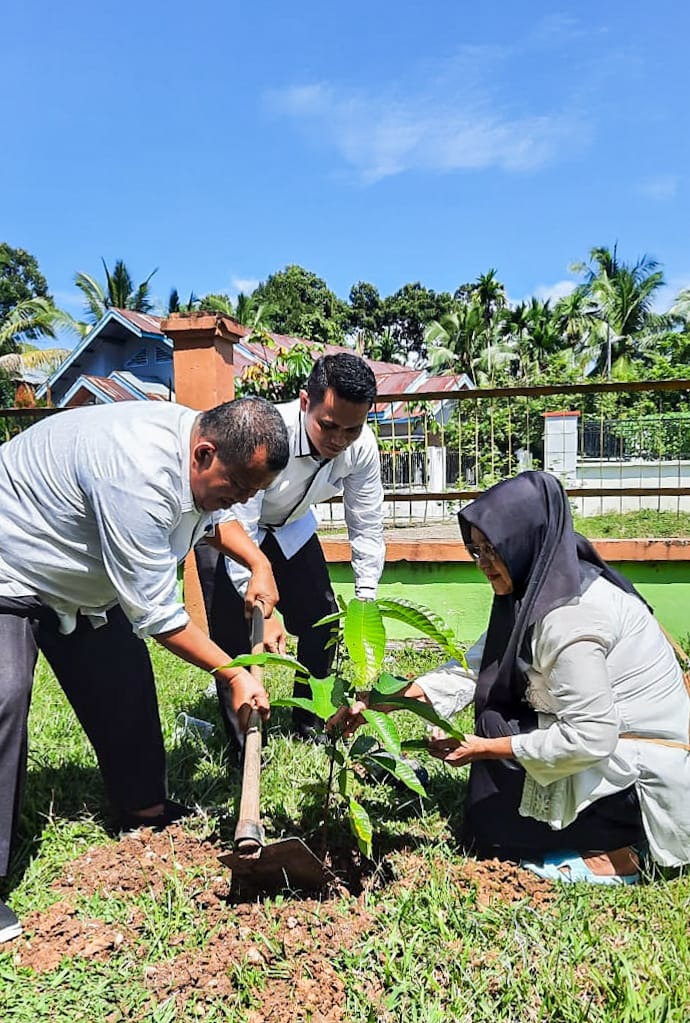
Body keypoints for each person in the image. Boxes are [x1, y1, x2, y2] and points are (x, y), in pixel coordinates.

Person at [0, 395, 290, 942]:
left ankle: (144, 811)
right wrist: (234, 671)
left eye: (252, 494)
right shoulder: (135, 474)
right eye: (237, 488)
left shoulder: (197, 449)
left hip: (81, 577)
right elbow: (157, 615)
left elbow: (214, 517)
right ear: (204, 453)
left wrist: (258, 561)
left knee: (123, 687)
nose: (239, 502)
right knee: (3, 695)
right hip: (10, 559)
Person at [335, 471, 690, 884]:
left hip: (637, 779)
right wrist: (384, 701)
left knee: (493, 827)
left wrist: (485, 749)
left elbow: (593, 736)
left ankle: (620, 850)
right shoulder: (540, 586)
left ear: (524, 541)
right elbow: (471, 670)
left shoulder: (570, 617)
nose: (483, 563)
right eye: (475, 550)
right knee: (493, 737)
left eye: (492, 549)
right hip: (604, 750)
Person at [196, 352, 384, 743]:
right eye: (329, 426)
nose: (339, 441)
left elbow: (365, 524)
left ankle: (309, 722)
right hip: (228, 524)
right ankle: (244, 742)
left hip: (290, 527)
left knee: (323, 620)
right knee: (234, 639)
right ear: (304, 402)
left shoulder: (361, 446)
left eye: (352, 430)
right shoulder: (267, 435)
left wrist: (366, 597)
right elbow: (239, 521)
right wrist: (264, 612)